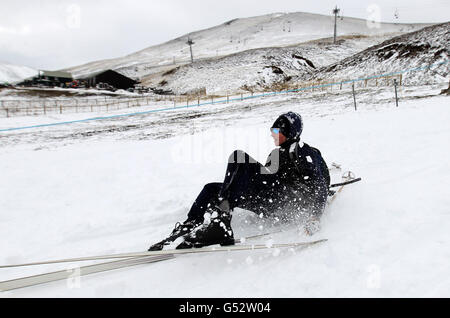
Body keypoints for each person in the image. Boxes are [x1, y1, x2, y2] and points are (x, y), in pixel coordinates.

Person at [148, 111, 330, 251]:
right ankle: (192, 222)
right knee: (211, 188)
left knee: (238, 157)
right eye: (272, 130)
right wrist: (236, 184)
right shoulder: (276, 154)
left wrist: (315, 217)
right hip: (268, 200)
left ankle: (221, 223)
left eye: (277, 131)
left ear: (290, 132)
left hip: (282, 205)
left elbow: (320, 186)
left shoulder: (305, 153)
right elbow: (266, 177)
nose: (272, 134)